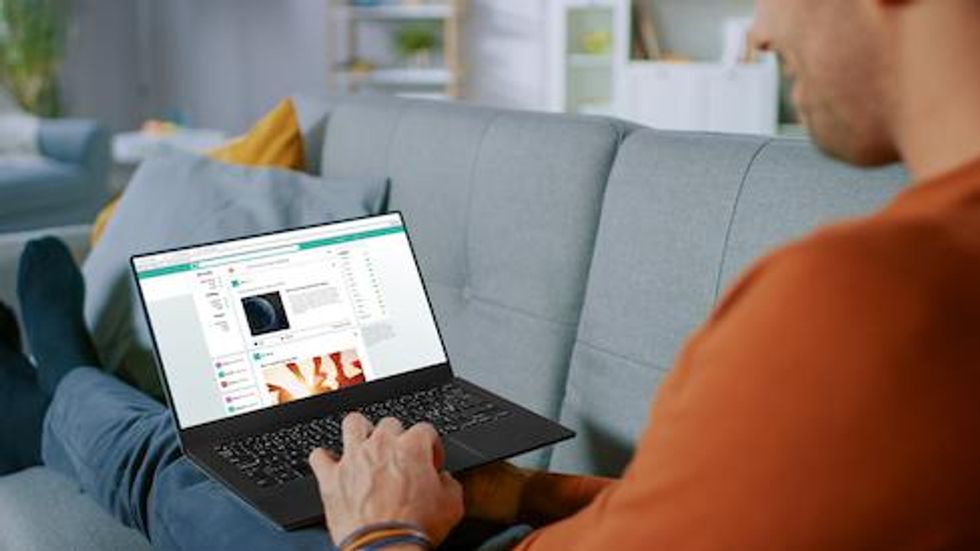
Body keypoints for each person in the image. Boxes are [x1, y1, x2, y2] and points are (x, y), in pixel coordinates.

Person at [4, 0, 980, 548]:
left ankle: (52, 377)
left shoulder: (865, 299)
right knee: (255, 460)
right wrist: (519, 494)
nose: (759, 32)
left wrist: (383, 530)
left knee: (179, 468)